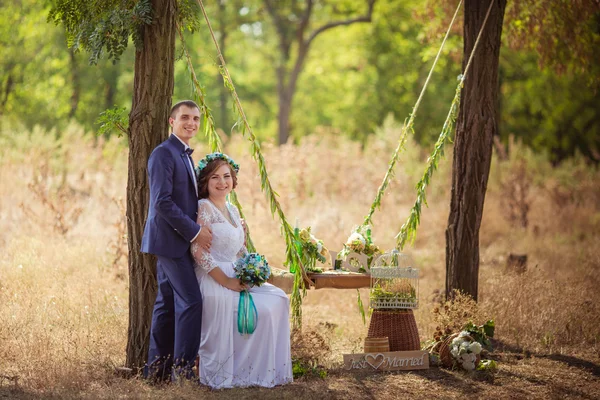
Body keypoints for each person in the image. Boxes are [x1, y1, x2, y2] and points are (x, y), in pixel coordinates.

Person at [191, 153, 293, 389]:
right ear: (205, 181)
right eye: (215, 177)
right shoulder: (203, 207)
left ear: (233, 180)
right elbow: (198, 252)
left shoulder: (233, 210)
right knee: (259, 309)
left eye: (227, 176)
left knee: (277, 299)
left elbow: (238, 250)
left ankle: (259, 368)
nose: (221, 182)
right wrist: (227, 281)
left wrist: (252, 267)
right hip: (214, 276)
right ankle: (232, 370)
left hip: (236, 272)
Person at [141, 100, 213, 382]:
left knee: (167, 305)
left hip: (177, 240)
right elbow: (162, 202)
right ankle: (182, 372)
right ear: (172, 121)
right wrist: (195, 231)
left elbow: (188, 199)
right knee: (192, 301)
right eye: (185, 117)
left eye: (196, 119)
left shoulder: (185, 154)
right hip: (170, 240)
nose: (191, 123)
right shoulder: (164, 153)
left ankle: (155, 372)